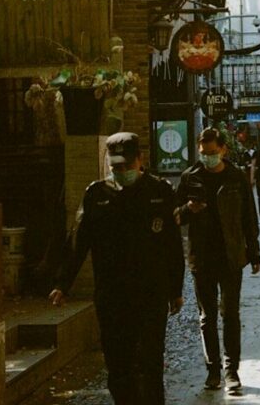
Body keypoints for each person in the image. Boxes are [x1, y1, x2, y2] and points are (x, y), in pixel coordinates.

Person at [49, 132, 184, 405]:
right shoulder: (97, 195)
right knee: (118, 364)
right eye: (116, 167)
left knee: (150, 363)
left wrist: (175, 290)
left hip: (151, 293)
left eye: (126, 166)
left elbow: (172, 245)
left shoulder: (160, 192)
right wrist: (63, 283)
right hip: (113, 296)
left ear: (140, 160)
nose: (121, 172)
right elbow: (78, 242)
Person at [175, 127, 260, 394]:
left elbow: (249, 217)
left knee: (230, 314)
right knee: (207, 316)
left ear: (223, 149)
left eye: (212, 152)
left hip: (231, 255)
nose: (207, 157)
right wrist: (188, 209)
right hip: (201, 256)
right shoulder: (190, 177)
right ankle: (213, 370)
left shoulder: (236, 177)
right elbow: (174, 216)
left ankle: (232, 371)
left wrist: (254, 252)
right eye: (203, 153)